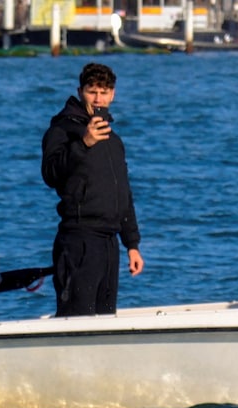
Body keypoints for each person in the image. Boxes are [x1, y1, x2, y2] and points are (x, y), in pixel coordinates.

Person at [41, 62, 144, 317]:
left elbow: (123, 193)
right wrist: (83, 144)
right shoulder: (62, 129)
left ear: (113, 95)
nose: (98, 98)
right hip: (79, 240)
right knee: (77, 318)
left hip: (109, 244)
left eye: (104, 92)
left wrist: (131, 244)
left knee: (106, 319)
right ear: (80, 91)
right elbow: (50, 174)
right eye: (92, 91)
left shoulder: (114, 140)